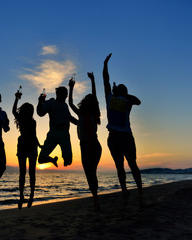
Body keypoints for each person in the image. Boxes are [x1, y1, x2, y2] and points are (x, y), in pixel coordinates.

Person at [103, 53, 144, 207]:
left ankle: (140, 194)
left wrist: (124, 94)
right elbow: (105, 80)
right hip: (113, 137)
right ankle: (125, 193)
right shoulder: (109, 98)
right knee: (119, 167)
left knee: (132, 164)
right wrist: (105, 64)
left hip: (126, 136)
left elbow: (138, 101)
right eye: (119, 87)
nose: (120, 87)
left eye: (123, 88)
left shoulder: (127, 100)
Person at [68, 72, 102, 210]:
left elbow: (95, 97)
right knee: (89, 173)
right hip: (83, 145)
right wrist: (71, 88)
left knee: (91, 171)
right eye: (87, 100)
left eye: (90, 100)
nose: (88, 101)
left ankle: (95, 200)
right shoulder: (80, 114)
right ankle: (95, 198)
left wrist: (93, 81)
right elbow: (70, 103)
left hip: (94, 145)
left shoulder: (95, 113)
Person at [12, 89, 41, 209]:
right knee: (26, 173)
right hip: (26, 145)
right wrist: (16, 99)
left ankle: (26, 196)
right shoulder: (25, 120)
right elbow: (14, 111)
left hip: (28, 145)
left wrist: (39, 145)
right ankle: (24, 196)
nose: (31, 112)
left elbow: (35, 135)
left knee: (26, 173)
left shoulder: (30, 121)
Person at [37, 86, 78, 167]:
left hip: (65, 134)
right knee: (41, 159)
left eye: (66, 94)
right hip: (54, 133)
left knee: (69, 161)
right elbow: (40, 113)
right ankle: (52, 160)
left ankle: (64, 159)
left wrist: (80, 123)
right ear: (58, 94)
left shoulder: (65, 105)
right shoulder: (51, 102)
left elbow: (69, 117)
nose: (66, 96)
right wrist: (40, 102)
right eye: (65, 94)